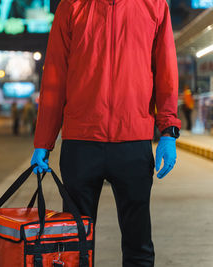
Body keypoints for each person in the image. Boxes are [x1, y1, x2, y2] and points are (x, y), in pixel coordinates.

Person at [30, 0, 181, 266]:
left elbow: (166, 69)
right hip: (81, 144)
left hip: (133, 142)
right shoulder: (72, 7)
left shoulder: (154, 6)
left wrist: (168, 130)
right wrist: (44, 140)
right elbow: (55, 76)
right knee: (76, 244)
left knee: (138, 244)